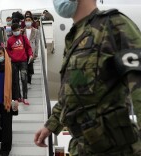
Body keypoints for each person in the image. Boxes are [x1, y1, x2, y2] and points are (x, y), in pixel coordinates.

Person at [34, 0, 141, 155]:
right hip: (83, 147)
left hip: (116, 149)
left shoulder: (114, 25)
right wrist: (51, 125)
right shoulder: (75, 37)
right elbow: (72, 92)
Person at [7, 23, 33, 105]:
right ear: (12, 31)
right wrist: (11, 56)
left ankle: (25, 97)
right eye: (14, 30)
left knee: (24, 79)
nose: (16, 32)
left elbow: (29, 47)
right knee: (15, 80)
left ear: (20, 29)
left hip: (23, 61)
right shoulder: (10, 40)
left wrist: (30, 55)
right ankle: (17, 97)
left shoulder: (24, 38)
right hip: (14, 62)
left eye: (17, 30)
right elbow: (8, 50)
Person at [22, 16, 40, 89]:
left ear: (32, 21)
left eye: (29, 20)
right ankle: (24, 81)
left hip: (31, 51)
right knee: (24, 67)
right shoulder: (22, 30)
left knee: (30, 67)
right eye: (26, 20)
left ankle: (29, 82)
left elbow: (37, 43)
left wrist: (36, 53)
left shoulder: (36, 31)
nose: (27, 21)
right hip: (23, 51)